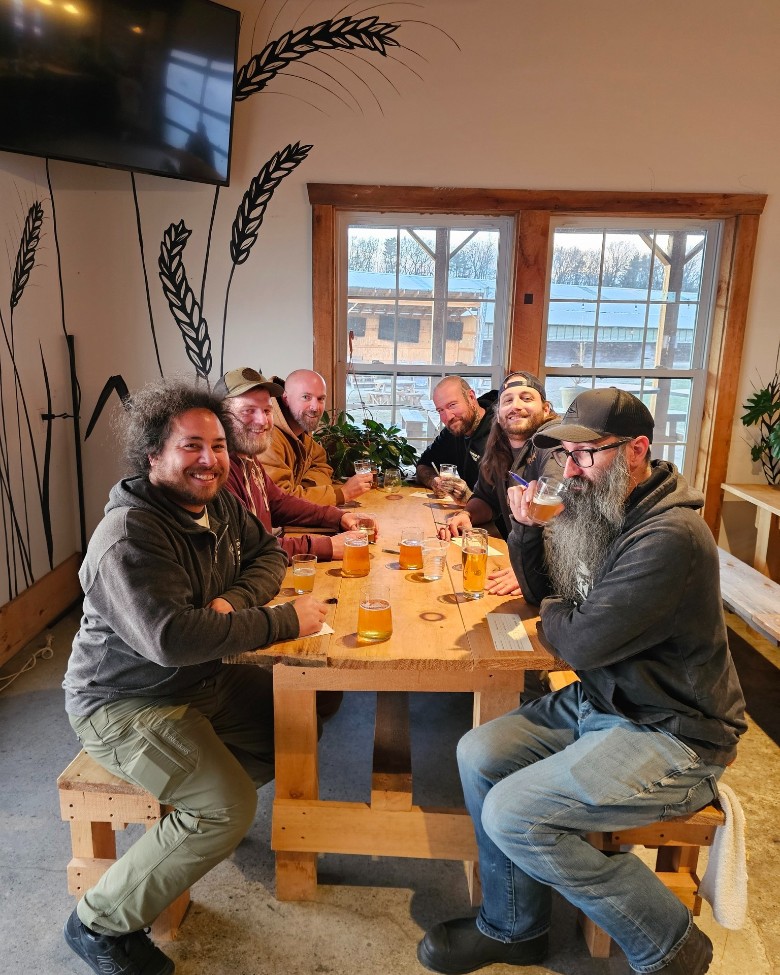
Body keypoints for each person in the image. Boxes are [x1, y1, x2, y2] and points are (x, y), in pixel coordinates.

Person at [417, 387, 747, 975]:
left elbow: (576, 638)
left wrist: (558, 614)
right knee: (478, 752)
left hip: (672, 728)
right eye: (567, 454)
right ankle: (515, 927)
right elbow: (557, 597)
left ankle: (669, 942)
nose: (570, 469)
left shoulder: (668, 537)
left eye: (585, 455)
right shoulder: (608, 506)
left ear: (637, 449)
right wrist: (524, 532)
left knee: (514, 814)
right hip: (606, 699)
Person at [62, 380, 328, 975]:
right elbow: (172, 640)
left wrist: (232, 604)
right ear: (153, 455)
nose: (208, 459)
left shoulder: (218, 504)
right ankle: (99, 922)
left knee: (300, 721)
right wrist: (280, 619)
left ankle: (188, 808)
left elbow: (270, 556)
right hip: (126, 701)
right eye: (190, 446)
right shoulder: (130, 535)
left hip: (200, 681)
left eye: (217, 445)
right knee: (225, 808)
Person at [216, 367, 378, 560]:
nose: (262, 421)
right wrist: (326, 546)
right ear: (218, 416)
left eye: (267, 410)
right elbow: (248, 548)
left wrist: (338, 517)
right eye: (248, 411)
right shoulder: (217, 473)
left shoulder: (249, 459)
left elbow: (280, 503)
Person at [439, 371, 557, 595]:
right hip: (517, 559)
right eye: (508, 400)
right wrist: (468, 515)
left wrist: (528, 569)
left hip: (548, 581)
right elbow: (486, 498)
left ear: (546, 409)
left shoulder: (554, 448)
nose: (516, 406)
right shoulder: (498, 447)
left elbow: (561, 525)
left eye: (527, 398)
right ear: (499, 413)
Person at [260, 368, 373, 504]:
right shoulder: (267, 438)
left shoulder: (301, 432)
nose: (315, 407)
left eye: (321, 399)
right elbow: (281, 502)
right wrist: (342, 494)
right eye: (306, 397)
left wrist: (304, 489)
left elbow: (322, 465)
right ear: (285, 399)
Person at [416, 377, 497, 501]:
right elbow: (423, 465)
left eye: (452, 405)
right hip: (467, 514)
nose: (447, 417)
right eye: (440, 410)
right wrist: (434, 481)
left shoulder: (501, 432)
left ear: (471, 397)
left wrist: (469, 497)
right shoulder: (453, 431)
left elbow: (507, 502)